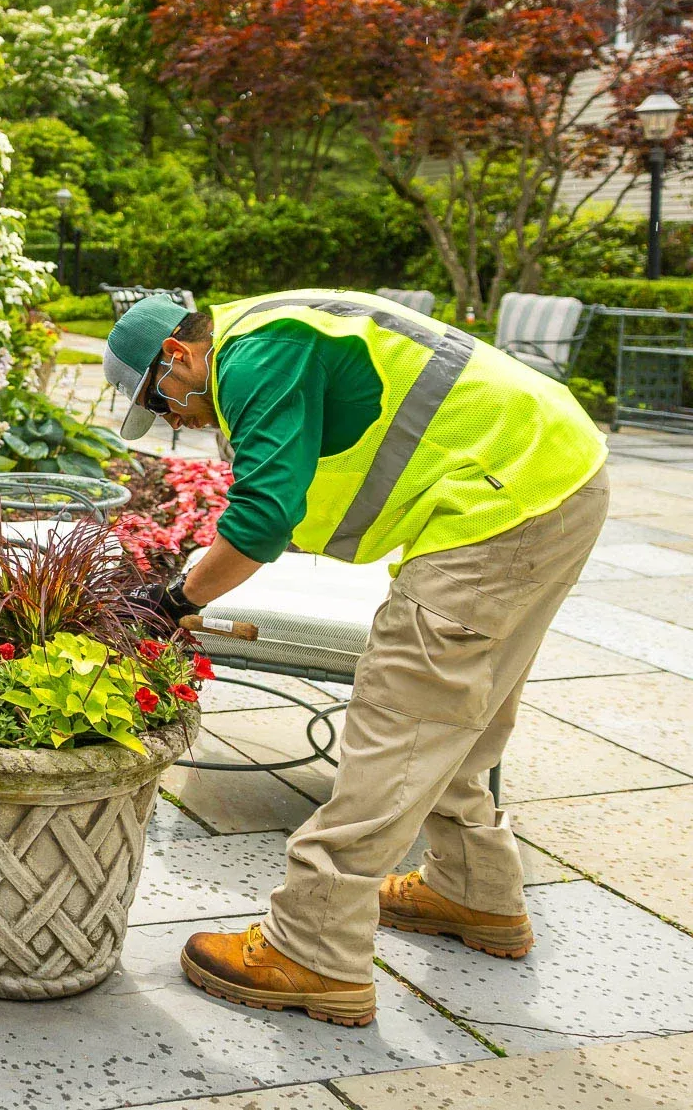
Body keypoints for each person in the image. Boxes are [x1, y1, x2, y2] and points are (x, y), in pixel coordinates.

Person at [104, 290, 608, 1028]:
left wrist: (175, 599)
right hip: (551, 475)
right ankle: (473, 887)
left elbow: (263, 515)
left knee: (400, 712)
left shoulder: (253, 355)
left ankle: (313, 947)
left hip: (508, 498)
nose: (174, 421)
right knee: (459, 708)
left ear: (177, 356)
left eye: (162, 400)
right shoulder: (263, 332)